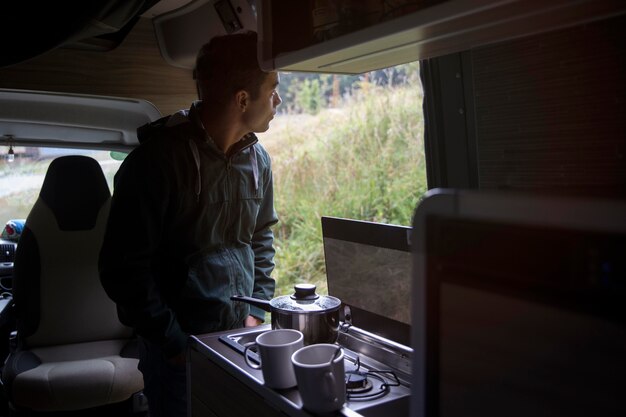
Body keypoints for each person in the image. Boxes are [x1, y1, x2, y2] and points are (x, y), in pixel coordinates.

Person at [98, 30, 281, 417]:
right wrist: (174, 343)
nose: (278, 100)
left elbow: (261, 237)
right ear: (243, 99)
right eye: (273, 89)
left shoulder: (258, 161)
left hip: (238, 338)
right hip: (179, 353)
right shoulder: (156, 163)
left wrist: (255, 313)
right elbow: (123, 271)